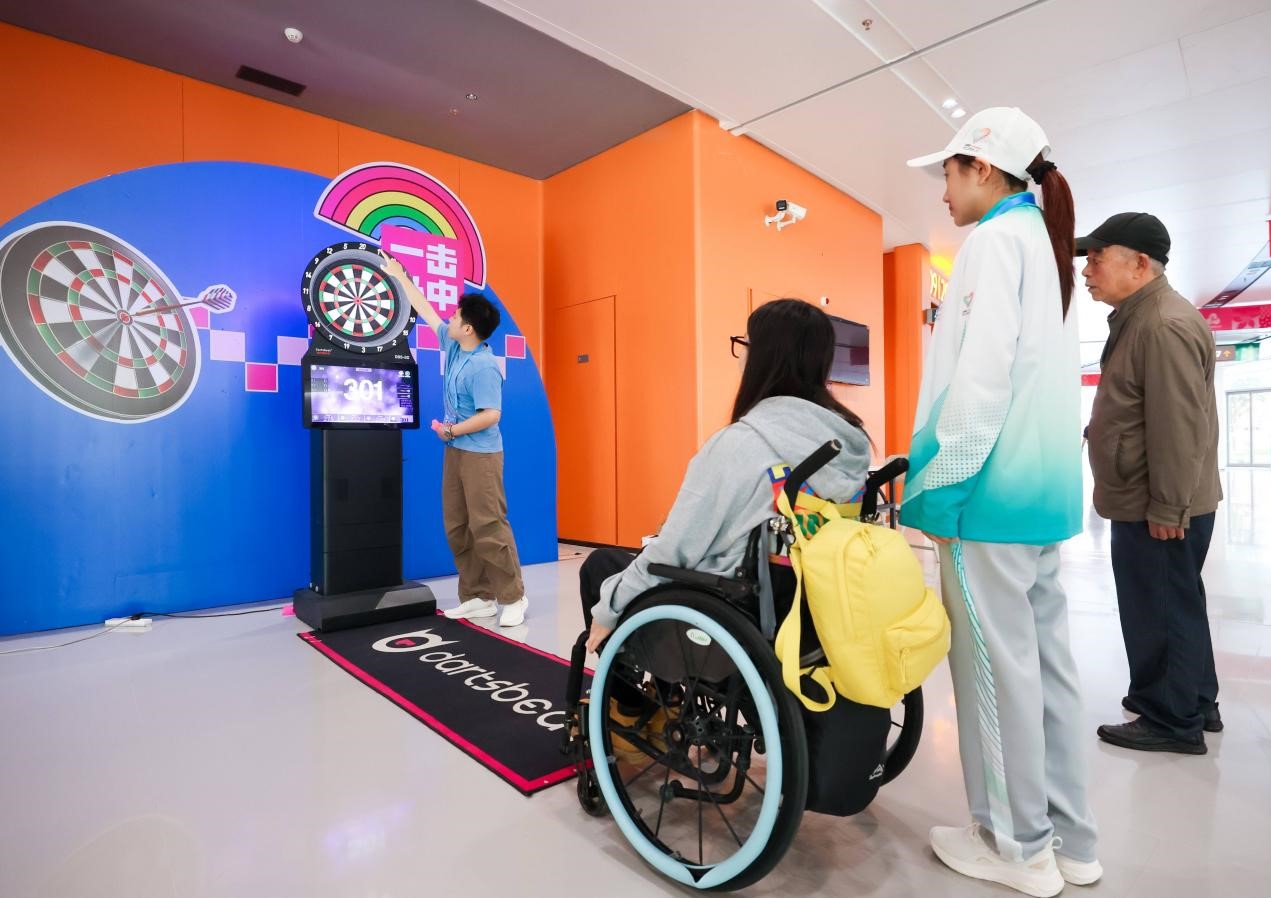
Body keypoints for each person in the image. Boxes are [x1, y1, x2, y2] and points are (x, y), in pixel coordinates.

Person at [901, 107, 1098, 897]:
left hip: (988, 499)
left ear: (981, 167)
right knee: (1046, 670)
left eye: (947, 173)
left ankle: (1016, 847)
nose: (942, 191)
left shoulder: (992, 243)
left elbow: (978, 384)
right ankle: (1072, 841)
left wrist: (937, 491)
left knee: (992, 671)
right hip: (1041, 498)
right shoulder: (1045, 246)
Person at [580, 299, 870, 654]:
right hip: (821, 612)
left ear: (763, 357)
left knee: (601, 567)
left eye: (744, 343)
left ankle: (627, 685)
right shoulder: (851, 443)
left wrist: (609, 607)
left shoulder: (739, 444)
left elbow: (673, 553)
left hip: (741, 618)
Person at [1077, 212, 1223, 754]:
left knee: (1158, 608)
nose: (1086, 270)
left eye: (1097, 258)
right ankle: (1195, 701)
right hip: (1152, 495)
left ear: (1139, 264)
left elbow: (1179, 426)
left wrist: (1167, 507)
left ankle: (1169, 719)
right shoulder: (1144, 317)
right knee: (1177, 602)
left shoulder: (1161, 324)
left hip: (1154, 503)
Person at [379, 251, 528, 627]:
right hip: (456, 451)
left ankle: (513, 597)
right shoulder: (454, 344)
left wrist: (451, 430)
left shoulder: (483, 366)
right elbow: (426, 309)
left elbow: (491, 415)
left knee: (488, 525)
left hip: (481, 455)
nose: (450, 318)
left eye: (457, 316)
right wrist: (399, 275)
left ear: (470, 329)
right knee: (458, 526)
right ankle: (478, 596)